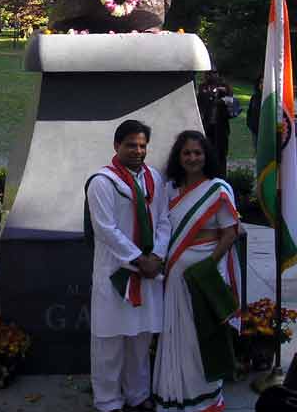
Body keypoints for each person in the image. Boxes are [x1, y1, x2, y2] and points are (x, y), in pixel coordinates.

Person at [86, 119, 170, 412]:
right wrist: (139, 260)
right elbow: (105, 230)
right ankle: (108, 401)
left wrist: (157, 256)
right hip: (117, 273)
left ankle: (137, 394)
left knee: (140, 339)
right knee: (109, 343)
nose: (137, 150)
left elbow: (163, 221)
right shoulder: (102, 181)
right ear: (116, 146)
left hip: (148, 271)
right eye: (131, 145)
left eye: (142, 145)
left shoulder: (154, 179)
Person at [153, 130, 241, 412]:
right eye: (187, 153)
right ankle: (172, 393)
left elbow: (230, 233)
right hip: (175, 277)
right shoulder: (169, 190)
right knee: (174, 332)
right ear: (178, 157)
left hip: (203, 277)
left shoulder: (218, 189)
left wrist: (208, 265)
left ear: (206, 156)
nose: (192, 158)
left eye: (198, 153)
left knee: (199, 334)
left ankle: (203, 397)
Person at [246, 75, 263, 150]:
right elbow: (250, 112)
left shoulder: (271, 99)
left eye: (264, 82)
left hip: (267, 132)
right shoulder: (254, 97)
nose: (262, 84)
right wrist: (250, 124)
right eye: (261, 82)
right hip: (255, 131)